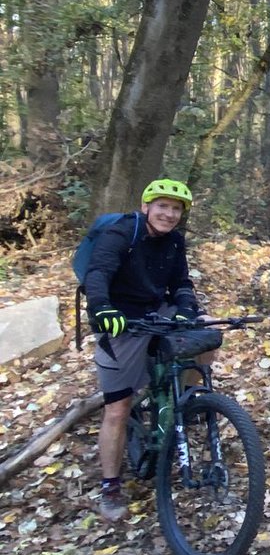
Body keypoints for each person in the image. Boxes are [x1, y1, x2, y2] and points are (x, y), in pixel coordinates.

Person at [84, 179, 211, 523]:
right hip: (121, 320)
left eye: (175, 209)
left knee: (208, 330)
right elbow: (97, 274)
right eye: (163, 206)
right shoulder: (122, 234)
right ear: (147, 207)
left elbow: (182, 283)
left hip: (157, 310)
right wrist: (102, 309)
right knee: (117, 409)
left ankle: (188, 396)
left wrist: (186, 307)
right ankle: (110, 486)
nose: (169, 215)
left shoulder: (174, 241)